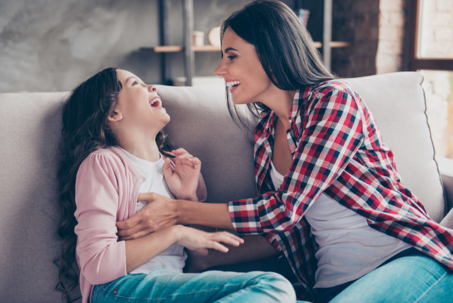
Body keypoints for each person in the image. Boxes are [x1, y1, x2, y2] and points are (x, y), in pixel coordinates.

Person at [115, 1, 453, 302]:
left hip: (406, 259)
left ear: (271, 50)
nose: (220, 70)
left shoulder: (333, 100)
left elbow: (284, 210)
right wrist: (202, 255)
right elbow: (284, 233)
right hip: (328, 287)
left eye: (231, 56)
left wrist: (176, 212)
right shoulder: (264, 136)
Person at [54, 67, 297, 303]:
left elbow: (201, 256)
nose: (152, 87)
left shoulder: (176, 169)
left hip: (172, 284)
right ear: (113, 113)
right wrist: (176, 232)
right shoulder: (103, 163)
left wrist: (187, 196)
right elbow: (96, 266)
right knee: (273, 287)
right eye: (135, 84)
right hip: (119, 288)